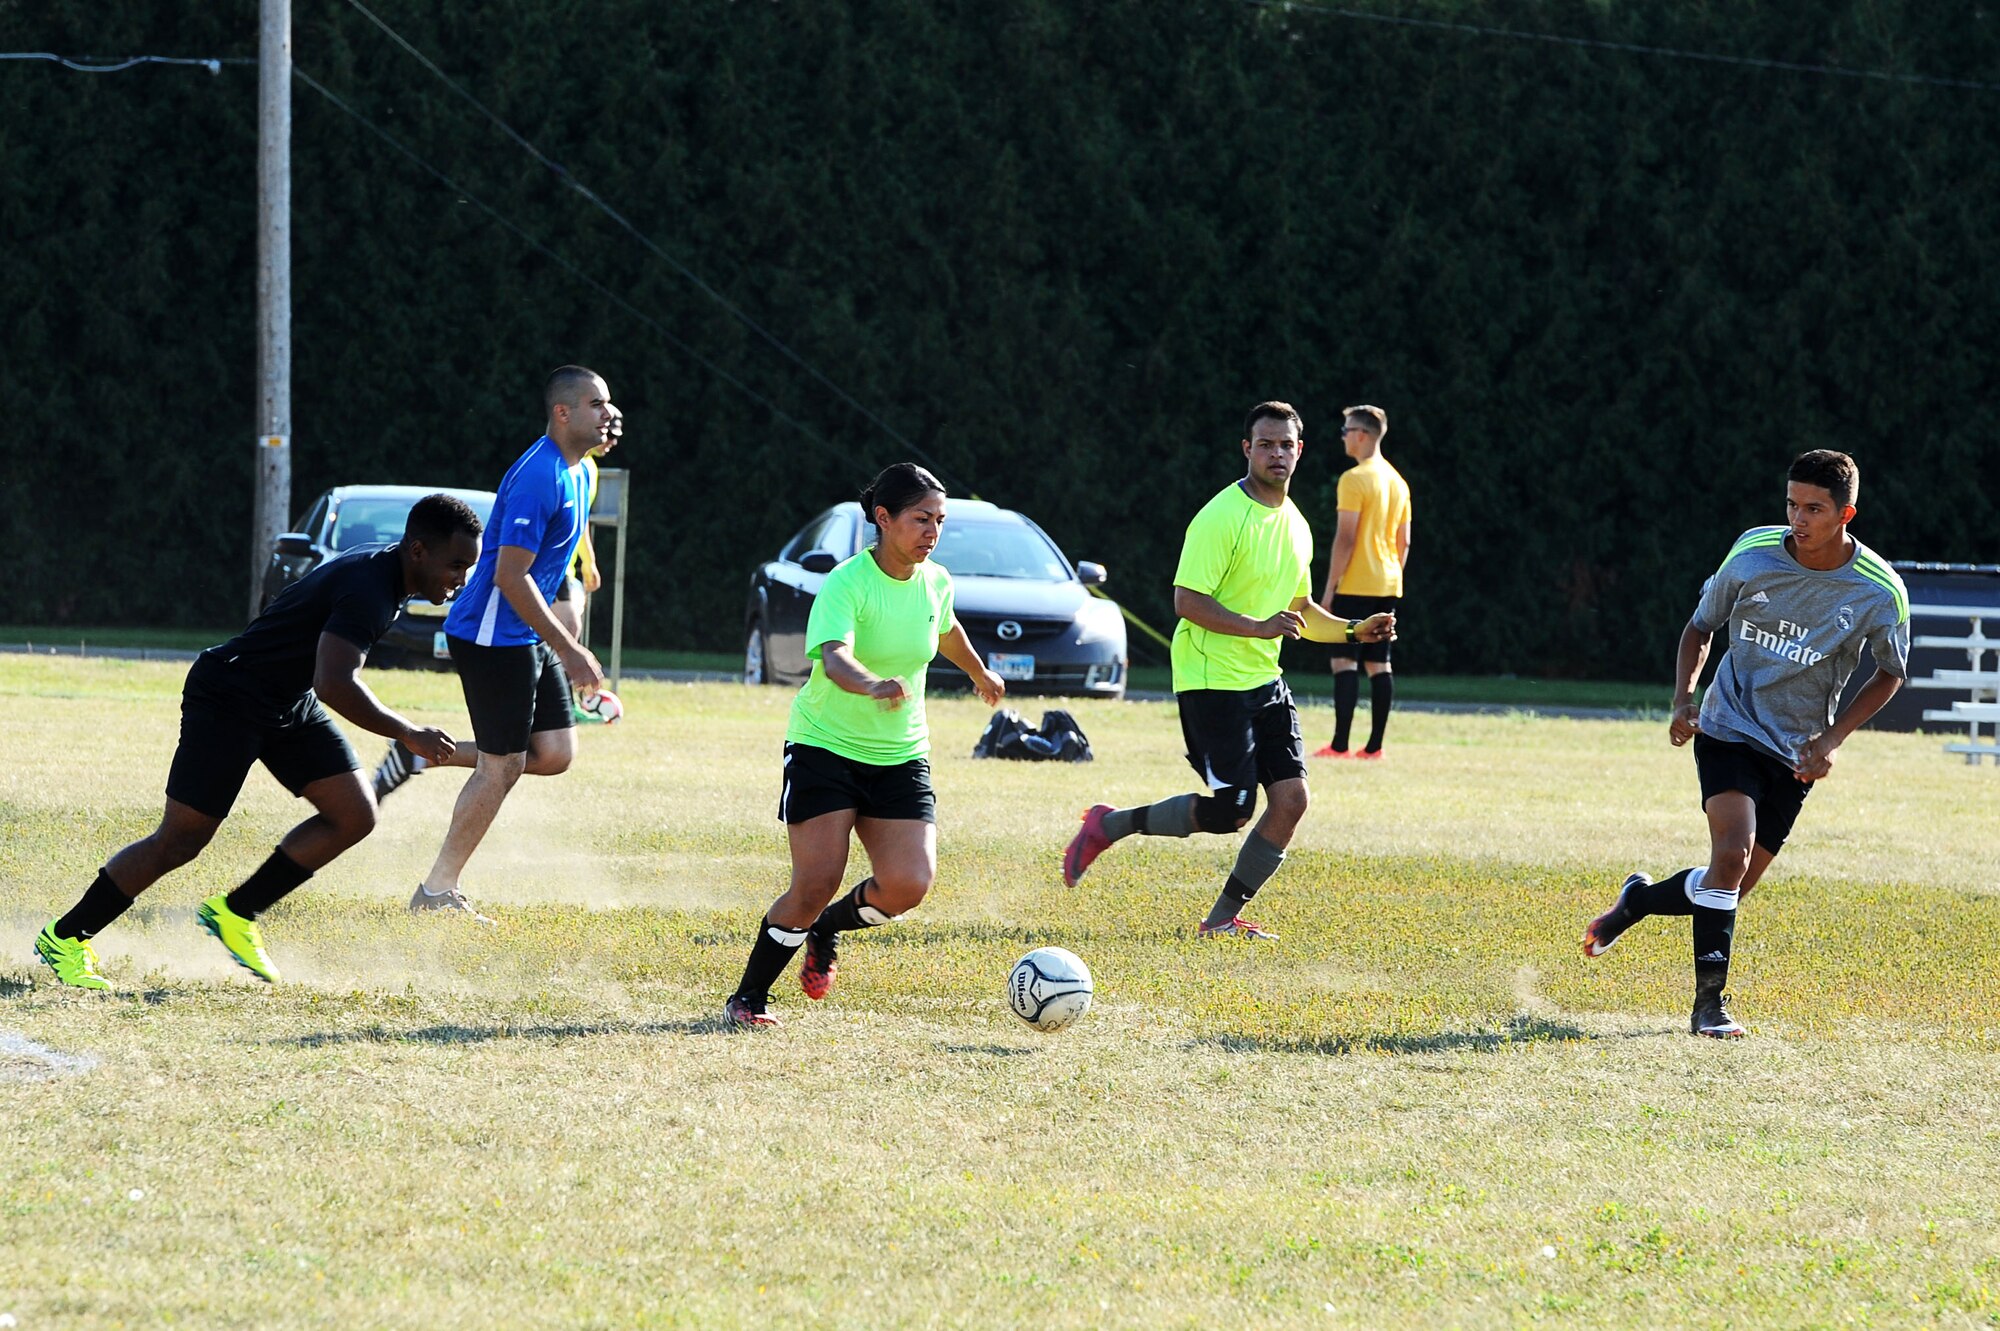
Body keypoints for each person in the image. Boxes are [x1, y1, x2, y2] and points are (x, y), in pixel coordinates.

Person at [33, 496, 482, 989]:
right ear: (418, 550)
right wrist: (406, 731)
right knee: (181, 840)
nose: (460, 577)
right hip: (230, 694)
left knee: (354, 814)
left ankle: (237, 912)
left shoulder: (391, 571)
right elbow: (335, 682)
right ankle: (66, 936)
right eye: (456, 565)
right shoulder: (370, 590)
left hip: (284, 699)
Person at [1581, 449, 1908, 1037]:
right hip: (1727, 723)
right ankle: (1710, 1007)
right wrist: (1685, 698)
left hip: (1796, 750)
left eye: (1814, 508)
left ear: (1846, 514)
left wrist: (1832, 739)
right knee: (1730, 857)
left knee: (1728, 885)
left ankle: (1637, 902)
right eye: (1791, 504)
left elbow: (1890, 672)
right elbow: (1701, 626)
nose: (1797, 519)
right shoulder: (1752, 553)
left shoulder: (1878, 591)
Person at [1060, 402, 1395, 939]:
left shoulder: (1297, 525)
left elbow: (1302, 613)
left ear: (1300, 450)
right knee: (1233, 809)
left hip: (1264, 681)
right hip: (1211, 679)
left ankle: (1220, 920)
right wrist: (1257, 627)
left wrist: (1356, 631)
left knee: (1292, 800)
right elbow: (1186, 600)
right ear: (1247, 449)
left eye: (1286, 445)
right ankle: (1110, 824)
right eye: (1265, 444)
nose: (1277, 454)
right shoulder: (1221, 516)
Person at [724, 463, 1006, 1028]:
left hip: (901, 754)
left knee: (908, 885)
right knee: (814, 882)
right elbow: (834, 655)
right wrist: (872, 683)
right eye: (921, 519)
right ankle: (749, 996)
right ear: (883, 518)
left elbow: (944, 627)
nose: (932, 532)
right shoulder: (846, 582)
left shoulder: (936, 581)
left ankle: (828, 929)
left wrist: (979, 672)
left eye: (940, 521)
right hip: (825, 748)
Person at [384, 366, 615, 923]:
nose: (607, 414)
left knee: (554, 754)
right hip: (492, 636)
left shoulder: (580, 470)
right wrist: (569, 648)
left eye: (608, 404)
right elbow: (512, 578)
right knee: (503, 766)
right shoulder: (540, 475)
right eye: (595, 404)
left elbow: (555, 556)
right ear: (563, 413)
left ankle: (424, 751)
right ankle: (437, 892)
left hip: (522, 634)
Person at [1314, 403, 1410, 759]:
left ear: (1361, 435)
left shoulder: (1354, 479)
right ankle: (1374, 747)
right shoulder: (1398, 481)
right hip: (1388, 582)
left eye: (1345, 431)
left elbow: (1346, 538)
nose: (1342, 438)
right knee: (1379, 663)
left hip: (1355, 582)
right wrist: (1393, 574)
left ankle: (1340, 745)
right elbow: (1405, 541)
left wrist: (1328, 590)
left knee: (1344, 661)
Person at [551, 405, 620, 720]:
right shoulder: (571, 465)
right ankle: (563, 703)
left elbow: (581, 522)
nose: (611, 441)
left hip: (566, 566)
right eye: (608, 432)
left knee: (567, 628)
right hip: (553, 565)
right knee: (569, 627)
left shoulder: (589, 469)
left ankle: (563, 702)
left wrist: (588, 562)